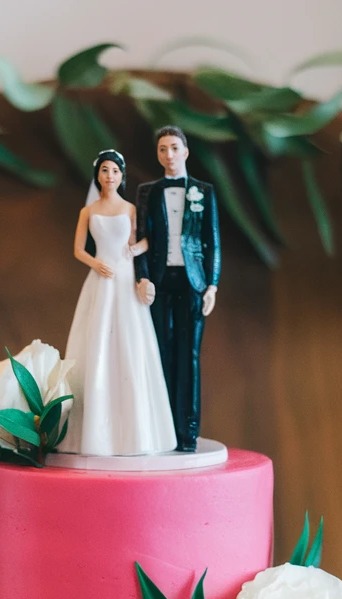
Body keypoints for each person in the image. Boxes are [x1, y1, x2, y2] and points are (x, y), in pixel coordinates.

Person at [57, 149, 177, 457]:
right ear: (97, 175)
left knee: (131, 341)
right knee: (96, 341)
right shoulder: (88, 212)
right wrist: (95, 264)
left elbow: (147, 239)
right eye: (105, 170)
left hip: (124, 279)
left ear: (122, 176)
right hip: (101, 279)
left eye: (115, 171)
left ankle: (137, 433)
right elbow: (77, 250)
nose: (110, 176)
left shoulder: (131, 208)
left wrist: (135, 252)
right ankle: (93, 432)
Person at [134, 127, 221, 451]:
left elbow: (212, 241)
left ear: (185, 151)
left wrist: (211, 284)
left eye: (173, 148)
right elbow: (139, 237)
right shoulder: (147, 192)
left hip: (192, 282)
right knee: (159, 354)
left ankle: (187, 432)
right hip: (158, 281)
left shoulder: (204, 191)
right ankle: (160, 429)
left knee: (189, 355)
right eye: (162, 150)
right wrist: (141, 278)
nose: (168, 155)